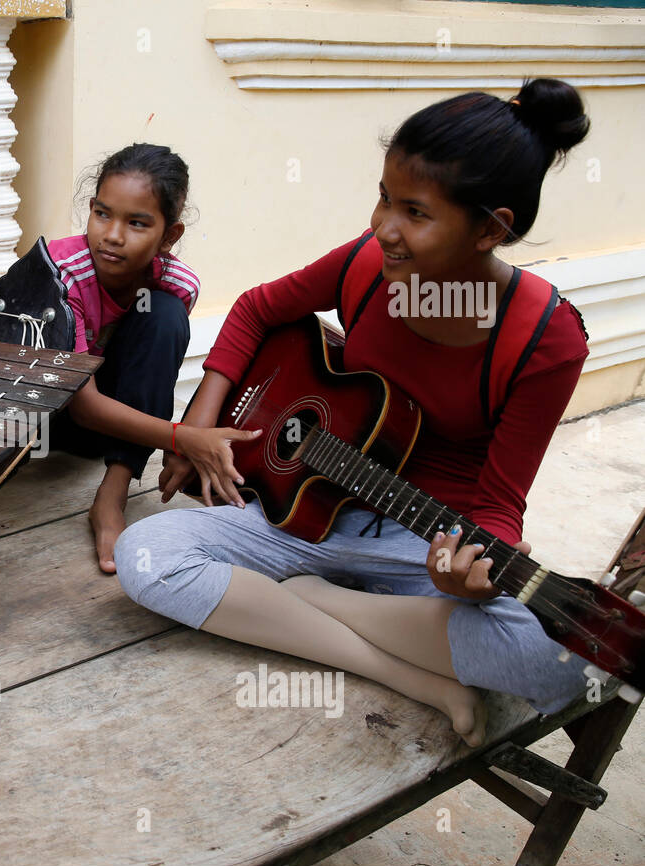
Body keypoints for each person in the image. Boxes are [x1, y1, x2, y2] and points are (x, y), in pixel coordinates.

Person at [114, 79, 592, 746]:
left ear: (492, 228)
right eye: (383, 197)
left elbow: (499, 505)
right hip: (302, 512)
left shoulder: (545, 337)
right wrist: (198, 425)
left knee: (566, 667)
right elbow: (256, 309)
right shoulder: (368, 265)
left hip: (419, 545)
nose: (382, 228)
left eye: (415, 214)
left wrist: (473, 575)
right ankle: (401, 668)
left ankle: (319, 600)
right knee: (144, 555)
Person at [0, 143, 257, 573]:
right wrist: (183, 437)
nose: (113, 235)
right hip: (15, 412)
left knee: (164, 317)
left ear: (169, 236)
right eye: (103, 214)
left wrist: (186, 436)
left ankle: (111, 498)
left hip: (88, 427)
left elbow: (139, 372)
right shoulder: (64, 272)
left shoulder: (176, 285)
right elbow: (81, 400)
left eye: (137, 223)